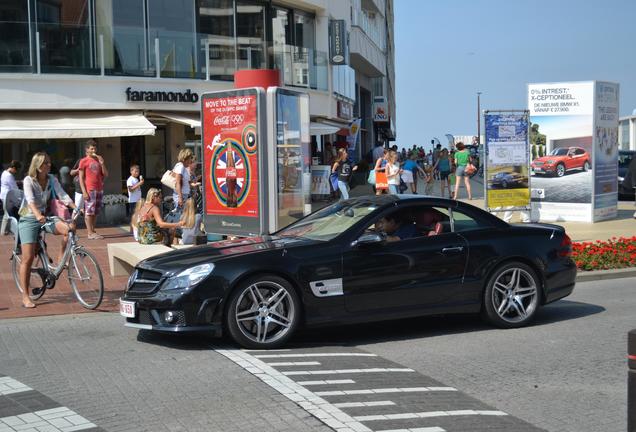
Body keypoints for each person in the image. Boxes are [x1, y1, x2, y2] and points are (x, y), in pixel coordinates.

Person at [18, 152, 76, 308]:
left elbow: (62, 195)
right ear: (37, 165)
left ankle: (60, 259)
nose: (49, 165)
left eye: (50, 162)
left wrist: (74, 206)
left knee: (69, 229)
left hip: (44, 217)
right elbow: (30, 200)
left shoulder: (52, 179)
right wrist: (37, 214)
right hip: (29, 218)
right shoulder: (28, 180)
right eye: (46, 163)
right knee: (28, 258)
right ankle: (25, 296)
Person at [78, 139, 108, 239]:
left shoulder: (98, 160)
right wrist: (84, 192)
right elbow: (81, 178)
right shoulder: (83, 161)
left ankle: (93, 231)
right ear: (87, 150)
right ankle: (90, 233)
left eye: (95, 148)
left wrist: (102, 163)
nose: (94, 150)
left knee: (96, 212)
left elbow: (106, 174)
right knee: (89, 211)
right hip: (90, 189)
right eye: (91, 148)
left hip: (99, 188)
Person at [1, 160, 21, 235]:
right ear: (13, 168)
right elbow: (14, 188)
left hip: (4, 196)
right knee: (9, 215)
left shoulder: (4, 172)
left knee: (6, 214)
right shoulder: (9, 175)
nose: (16, 172)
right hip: (7, 197)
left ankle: (4, 232)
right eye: (16, 170)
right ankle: (7, 231)